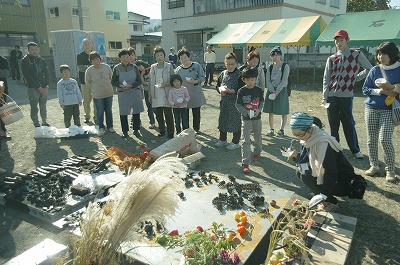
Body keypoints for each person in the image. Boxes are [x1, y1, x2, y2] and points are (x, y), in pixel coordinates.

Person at [288, 112, 367, 208]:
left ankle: (329, 200)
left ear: (309, 129)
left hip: (342, 182)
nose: (299, 137)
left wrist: (323, 194)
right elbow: (306, 160)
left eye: (300, 134)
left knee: (305, 174)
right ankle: (324, 195)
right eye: (295, 134)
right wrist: (296, 156)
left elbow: (331, 172)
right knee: (299, 170)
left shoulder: (323, 144)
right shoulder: (309, 138)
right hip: (329, 177)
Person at [322, 30, 373, 159]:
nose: (338, 43)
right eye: (336, 40)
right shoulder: (332, 58)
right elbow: (326, 78)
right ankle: (336, 148)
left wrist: (355, 78)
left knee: (348, 123)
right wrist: (325, 95)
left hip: (346, 95)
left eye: (341, 40)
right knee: (333, 123)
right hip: (332, 96)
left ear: (347, 40)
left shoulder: (356, 54)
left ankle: (355, 150)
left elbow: (369, 68)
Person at [362, 42, 400, 182]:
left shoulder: (399, 69)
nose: (380, 56)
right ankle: (374, 165)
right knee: (371, 139)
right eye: (379, 54)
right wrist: (381, 91)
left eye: (384, 54)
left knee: (384, 139)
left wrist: (392, 88)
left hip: (389, 110)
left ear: (392, 54)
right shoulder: (374, 70)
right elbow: (365, 89)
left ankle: (390, 170)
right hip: (371, 108)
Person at [236, 68, 264, 173]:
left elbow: (261, 102)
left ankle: (257, 152)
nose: (250, 82)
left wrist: (259, 110)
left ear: (256, 79)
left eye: (253, 79)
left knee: (257, 136)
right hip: (246, 119)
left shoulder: (258, 90)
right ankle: (245, 162)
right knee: (245, 140)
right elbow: (238, 104)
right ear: (243, 80)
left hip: (257, 118)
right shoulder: (241, 91)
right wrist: (245, 112)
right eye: (247, 80)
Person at [111, 49, 144, 138]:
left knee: (136, 111)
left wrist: (131, 85)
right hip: (123, 92)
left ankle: (136, 130)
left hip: (134, 91)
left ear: (130, 57)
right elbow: (113, 82)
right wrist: (120, 85)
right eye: (123, 57)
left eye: (127, 57)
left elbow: (139, 81)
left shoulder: (134, 67)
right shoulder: (117, 68)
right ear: (120, 58)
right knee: (123, 112)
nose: (126, 58)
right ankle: (125, 131)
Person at [215, 52, 243, 150]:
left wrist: (231, 91)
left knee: (235, 122)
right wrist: (220, 90)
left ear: (236, 63)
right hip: (224, 102)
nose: (230, 66)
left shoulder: (239, 74)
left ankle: (235, 142)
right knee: (223, 120)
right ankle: (222, 139)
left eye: (232, 64)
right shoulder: (223, 73)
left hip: (235, 103)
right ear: (225, 63)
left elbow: (242, 88)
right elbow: (217, 85)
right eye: (228, 64)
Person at [175, 48, 206, 134]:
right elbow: (175, 81)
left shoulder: (196, 66)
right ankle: (187, 129)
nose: (183, 60)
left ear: (189, 57)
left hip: (195, 93)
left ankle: (196, 129)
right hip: (184, 95)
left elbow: (202, 77)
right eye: (181, 58)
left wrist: (195, 81)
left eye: (185, 57)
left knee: (196, 113)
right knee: (185, 114)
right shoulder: (178, 69)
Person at [85, 51, 114, 135]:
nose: (96, 61)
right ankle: (101, 126)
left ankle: (110, 126)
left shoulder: (106, 67)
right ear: (91, 61)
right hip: (97, 95)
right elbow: (87, 82)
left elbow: (111, 77)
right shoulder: (89, 70)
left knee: (108, 110)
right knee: (100, 111)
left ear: (100, 59)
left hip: (108, 92)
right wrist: (94, 89)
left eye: (97, 59)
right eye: (93, 60)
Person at [21, 42, 50, 128]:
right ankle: (36, 123)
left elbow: (47, 73)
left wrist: (47, 86)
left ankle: (44, 121)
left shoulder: (41, 60)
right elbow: (28, 76)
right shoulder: (25, 60)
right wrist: (38, 87)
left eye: (36, 49)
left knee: (43, 106)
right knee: (34, 107)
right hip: (33, 87)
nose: (34, 51)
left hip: (44, 87)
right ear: (28, 50)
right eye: (32, 49)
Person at [263, 46, 290, 137]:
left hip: (281, 90)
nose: (275, 57)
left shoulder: (285, 66)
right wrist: (272, 90)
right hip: (271, 90)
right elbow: (268, 80)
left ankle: (281, 129)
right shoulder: (270, 67)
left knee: (283, 111)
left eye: (277, 55)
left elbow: (284, 80)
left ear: (280, 55)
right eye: (273, 55)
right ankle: (271, 129)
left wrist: (278, 90)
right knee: (270, 111)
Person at [149, 46, 175, 138]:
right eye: (157, 55)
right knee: (158, 115)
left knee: (168, 114)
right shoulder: (153, 67)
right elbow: (150, 82)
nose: (159, 57)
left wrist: (167, 84)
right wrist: (150, 95)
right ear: (155, 57)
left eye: (161, 55)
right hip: (156, 93)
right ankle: (162, 130)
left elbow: (174, 80)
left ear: (164, 56)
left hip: (166, 93)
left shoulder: (169, 66)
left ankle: (171, 132)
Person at [77, 38, 96, 124]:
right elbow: (81, 68)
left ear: (91, 44)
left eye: (88, 44)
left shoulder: (95, 55)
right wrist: (92, 67)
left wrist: (88, 67)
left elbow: (98, 66)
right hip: (84, 81)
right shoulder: (80, 56)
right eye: (85, 44)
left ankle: (96, 116)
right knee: (87, 100)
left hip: (95, 81)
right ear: (82, 46)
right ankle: (87, 116)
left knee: (96, 99)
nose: (87, 46)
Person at [136, 60, 156, 129]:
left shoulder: (151, 69)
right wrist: (141, 74)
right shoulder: (140, 73)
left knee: (155, 107)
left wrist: (148, 83)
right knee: (149, 107)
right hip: (146, 91)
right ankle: (152, 123)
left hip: (153, 90)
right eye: (138, 68)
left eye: (140, 66)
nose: (140, 68)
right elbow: (142, 83)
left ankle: (160, 119)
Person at [0, 56, 11, 139]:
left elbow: (7, 73)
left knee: (3, 112)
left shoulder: (3, 60)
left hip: (2, 91)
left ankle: (3, 131)